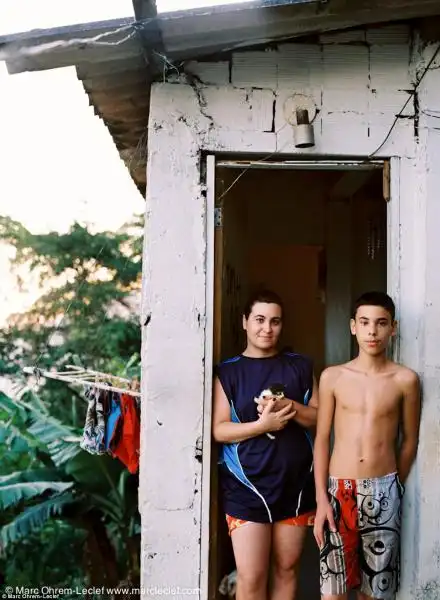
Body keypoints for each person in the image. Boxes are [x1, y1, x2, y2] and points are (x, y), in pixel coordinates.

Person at [313, 291, 421, 600]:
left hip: (383, 489)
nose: (372, 331)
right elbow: (322, 439)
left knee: (375, 592)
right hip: (338, 490)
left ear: (393, 328)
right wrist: (322, 498)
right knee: (333, 590)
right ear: (353, 327)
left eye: (381, 323)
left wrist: (393, 484)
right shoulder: (333, 376)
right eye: (364, 322)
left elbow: (409, 438)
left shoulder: (405, 380)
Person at [212, 289, 318, 600]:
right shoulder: (228, 371)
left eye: (275, 321)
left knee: (287, 570)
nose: (266, 328)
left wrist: (289, 406)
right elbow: (219, 430)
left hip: (296, 486)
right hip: (246, 489)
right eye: (259, 319)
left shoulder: (300, 366)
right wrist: (263, 426)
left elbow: (319, 418)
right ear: (245, 322)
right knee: (252, 577)